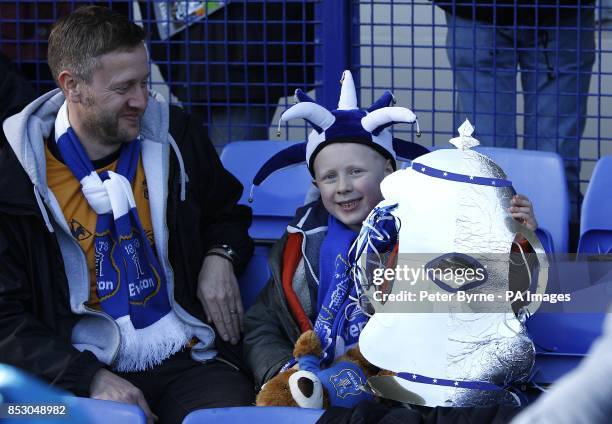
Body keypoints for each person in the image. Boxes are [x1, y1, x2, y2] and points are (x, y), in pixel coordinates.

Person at [0, 6, 254, 423]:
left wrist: (220, 255)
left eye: (144, 82)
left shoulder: (176, 135)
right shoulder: (13, 176)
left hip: (185, 356)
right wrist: (89, 377)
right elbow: (5, 319)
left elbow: (227, 213)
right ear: (72, 87)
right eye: (123, 88)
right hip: (73, 365)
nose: (142, 100)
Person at [243, 70, 539, 390]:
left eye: (356, 171)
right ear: (315, 183)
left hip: (399, 384)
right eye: (329, 177)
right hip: (317, 382)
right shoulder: (299, 242)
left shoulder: (428, 228)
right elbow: (262, 324)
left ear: (388, 170)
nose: (342, 187)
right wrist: (284, 372)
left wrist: (520, 242)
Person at [436, 0, 596, 218]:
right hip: (488, 14)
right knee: (490, 167)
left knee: (491, 166)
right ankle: (539, 244)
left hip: (553, 16)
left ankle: (542, 244)